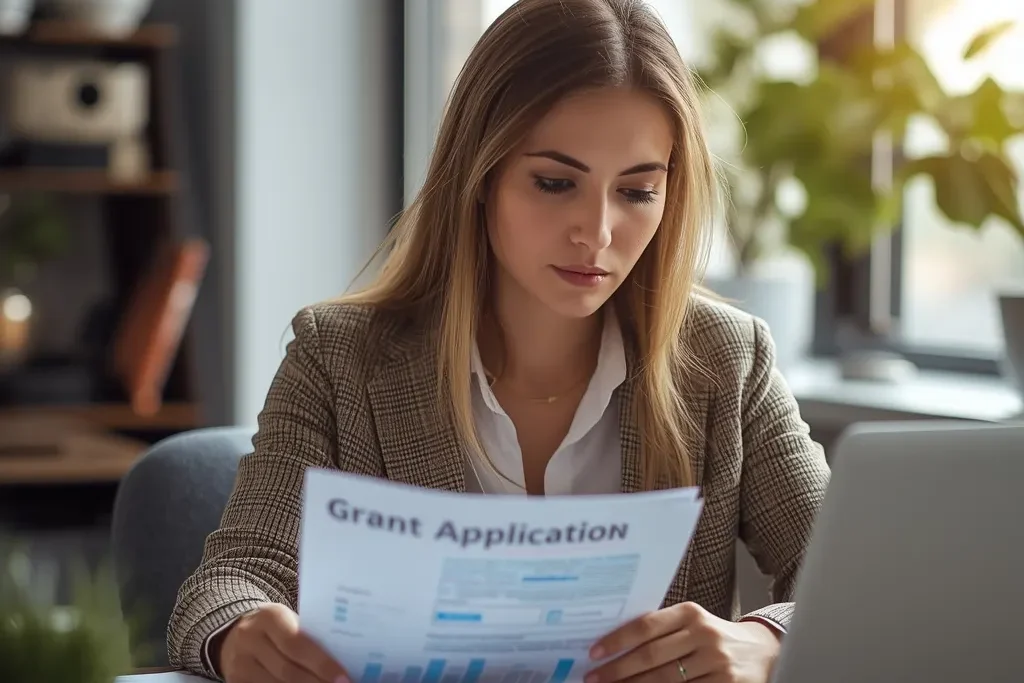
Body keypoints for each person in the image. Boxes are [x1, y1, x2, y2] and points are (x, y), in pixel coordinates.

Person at [167, 0, 830, 681]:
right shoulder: (339, 358)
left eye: (636, 191)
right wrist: (242, 632)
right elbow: (230, 580)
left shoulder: (726, 359)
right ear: (480, 174)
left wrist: (766, 638)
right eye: (554, 183)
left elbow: (847, 576)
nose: (597, 232)